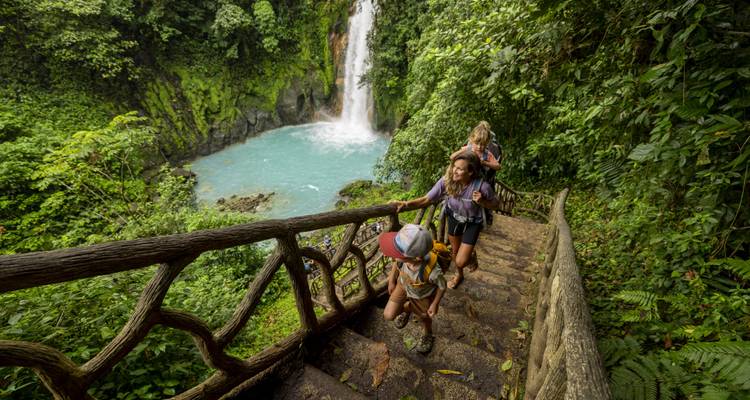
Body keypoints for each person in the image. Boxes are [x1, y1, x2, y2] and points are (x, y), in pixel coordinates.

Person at [393, 151, 499, 289]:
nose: (454, 171)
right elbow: (427, 199)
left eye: (460, 169)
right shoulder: (446, 181)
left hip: (473, 221)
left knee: (461, 260)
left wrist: (483, 201)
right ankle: (458, 274)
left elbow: (496, 204)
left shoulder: (482, 187)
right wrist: (406, 204)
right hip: (454, 217)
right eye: (454, 166)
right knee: (455, 251)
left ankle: (469, 257)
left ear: (471, 172)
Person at [380, 224, 446, 354]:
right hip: (403, 285)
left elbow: (442, 286)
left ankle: (428, 333)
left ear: (417, 258)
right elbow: (397, 261)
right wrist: (392, 280)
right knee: (388, 315)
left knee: (424, 316)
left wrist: (434, 304)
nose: (393, 254)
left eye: (396, 252)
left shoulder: (432, 272)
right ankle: (410, 308)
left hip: (422, 295)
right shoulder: (405, 258)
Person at [450, 121, 502, 225]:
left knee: (483, 193)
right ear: (472, 140)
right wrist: (464, 151)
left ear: (487, 144)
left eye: (482, 145)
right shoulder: (468, 148)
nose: (479, 147)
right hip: (467, 177)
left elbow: (498, 166)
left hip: (479, 181)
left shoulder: (487, 154)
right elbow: (452, 157)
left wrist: (485, 163)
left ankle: (484, 214)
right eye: (477, 144)